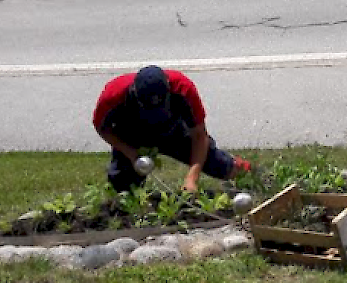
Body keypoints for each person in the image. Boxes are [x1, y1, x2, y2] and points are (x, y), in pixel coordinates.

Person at [93, 65, 251, 193]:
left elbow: (199, 136)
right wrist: (131, 154)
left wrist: (192, 178)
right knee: (122, 188)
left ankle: (256, 177)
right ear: (134, 93)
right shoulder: (113, 96)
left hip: (174, 131)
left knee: (220, 164)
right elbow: (101, 127)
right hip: (133, 136)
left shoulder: (183, 89)